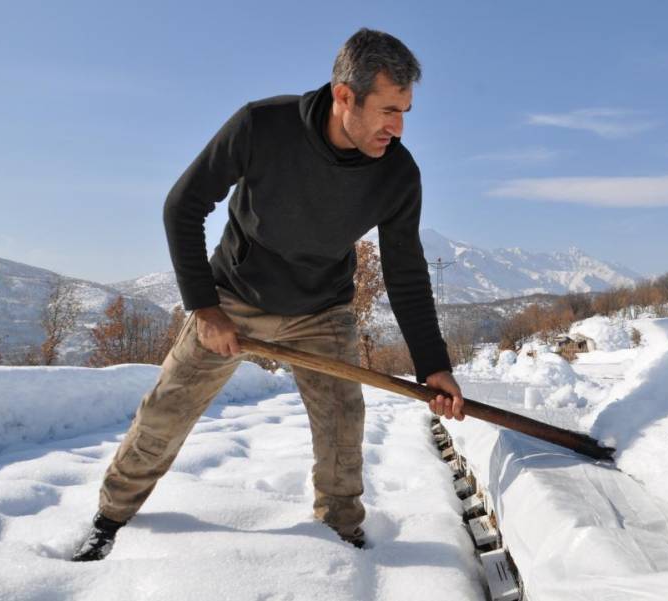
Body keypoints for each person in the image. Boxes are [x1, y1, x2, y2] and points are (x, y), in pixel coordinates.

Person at [72, 28, 465, 561]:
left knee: (342, 428)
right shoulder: (262, 126)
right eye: (389, 110)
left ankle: (341, 536)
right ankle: (109, 518)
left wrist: (433, 366)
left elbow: (406, 272)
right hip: (233, 299)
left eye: (406, 112)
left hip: (323, 311)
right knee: (166, 412)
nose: (397, 127)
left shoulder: (398, 173)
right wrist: (205, 309)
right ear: (344, 95)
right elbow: (182, 207)